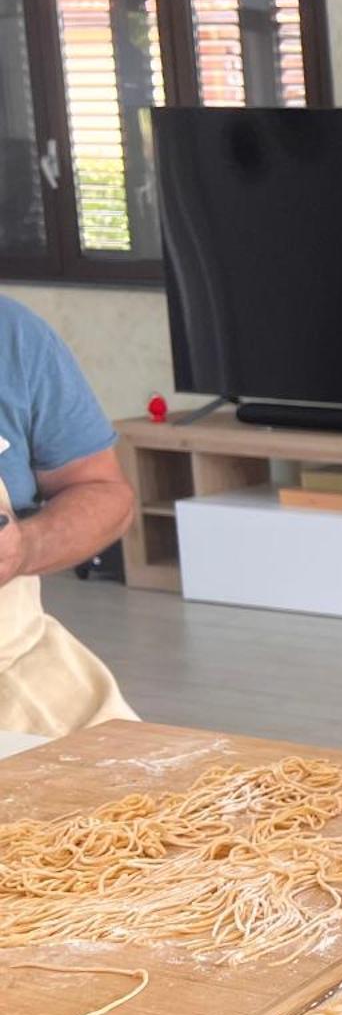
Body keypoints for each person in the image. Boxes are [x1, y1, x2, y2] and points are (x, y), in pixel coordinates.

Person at [0, 296, 138, 734]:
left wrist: (25, 547)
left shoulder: (12, 335)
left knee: (144, 790)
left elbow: (102, 491)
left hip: (16, 657)